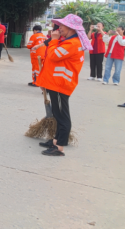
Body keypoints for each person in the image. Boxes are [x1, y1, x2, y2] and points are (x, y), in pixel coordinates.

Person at [35, 14, 90, 156]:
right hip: (56, 83)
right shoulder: (68, 41)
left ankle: (59, 147)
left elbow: (54, 56)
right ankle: (55, 140)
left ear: (71, 28)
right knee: (57, 113)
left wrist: (53, 40)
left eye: (62, 26)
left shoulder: (72, 44)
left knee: (61, 116)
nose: (59, 29)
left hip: (61, 84)